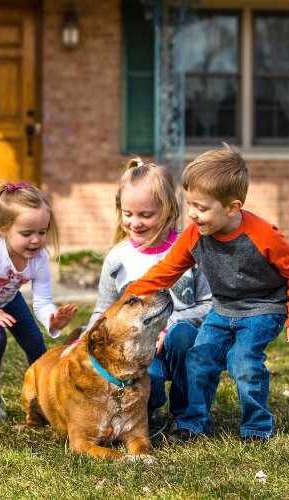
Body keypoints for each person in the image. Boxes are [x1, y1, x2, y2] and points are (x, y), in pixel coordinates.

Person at [124, 144, 289, 442]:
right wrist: (129, 299)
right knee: (199, 359)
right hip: (222, 309)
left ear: (232, 208)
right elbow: (165, 272)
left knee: (243, 362)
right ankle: (194, 423)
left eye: (201, 207)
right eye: (189, 204)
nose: (192, 214)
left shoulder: (264, 236)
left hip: (263, 308)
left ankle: (256, 427)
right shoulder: (194, 236)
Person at [85, 157, 212, 430]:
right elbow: (104, 309)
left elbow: (209, 305)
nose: (135, 223)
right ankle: (147, 409)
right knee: (149, 378)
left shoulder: (191, 249)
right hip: (139, 350)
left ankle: (185, 415)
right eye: (128, 214)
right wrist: (84, 341)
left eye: (146, 215)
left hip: (181, 344)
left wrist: (171, 325)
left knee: (182, 336)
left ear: (167, 210)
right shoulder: (118, 259)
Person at [0, 181, 78, 422]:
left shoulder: (38, 260)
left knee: (34, 342)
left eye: (42, 232)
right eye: (26, 233)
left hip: (8, 297)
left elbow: (42, 301)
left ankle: (47, 395)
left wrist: (52, 318)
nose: (36, 240)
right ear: (3, 229)